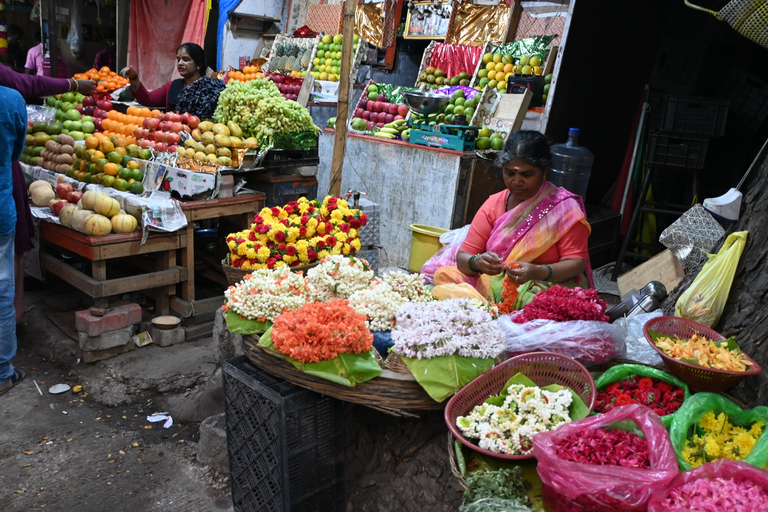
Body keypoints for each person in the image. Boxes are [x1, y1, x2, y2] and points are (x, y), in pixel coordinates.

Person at [431, 130, 592, 302]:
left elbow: (575, 263)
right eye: (509, 173)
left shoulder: (564, 209)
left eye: (526, 174)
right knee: (444, 275)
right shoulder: (494, 204)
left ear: (544, 171)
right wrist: (478, 262)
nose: (516, 181)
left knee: (545, 303)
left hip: (543, 285)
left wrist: (537, 272)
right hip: (495, 281)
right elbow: (463, 259)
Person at [0, 63, 96, 322]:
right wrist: (73, 85)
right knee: (12, 251)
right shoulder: (10, 100)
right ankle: (15, 311)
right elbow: (31, 85)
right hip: (5, 185)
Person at [0, 85, 29, 394]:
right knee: (1, 288)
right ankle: (1, 373)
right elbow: (16, 153)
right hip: (0, 213)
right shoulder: (10, 100)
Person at [121, 42, 210, 113]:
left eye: (185, 60)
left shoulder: (209, 88)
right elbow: (148, 99)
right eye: (178, 59)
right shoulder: (172, 86)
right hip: (171, 133)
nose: (180, 63)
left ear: (198, 64)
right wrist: (134, 78)